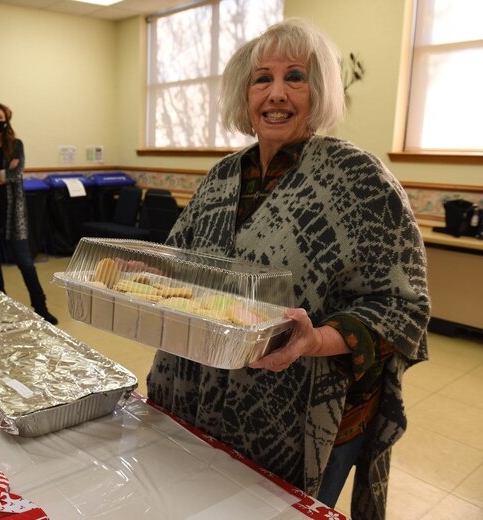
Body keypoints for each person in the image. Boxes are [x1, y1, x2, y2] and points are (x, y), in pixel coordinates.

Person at [146, 19, 430, 520]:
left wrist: (316, 339)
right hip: (206, 404)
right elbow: (181, 264)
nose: (276, 94)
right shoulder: (221, 178)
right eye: (262, 79)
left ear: (318, 90)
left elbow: (403, 307)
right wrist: (147, 273)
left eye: (295, 76)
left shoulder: (360, 180)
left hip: (308, 418)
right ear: (245, 92)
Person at [0, 103, 58, 325]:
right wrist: (2, 174)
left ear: (7, 120)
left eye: (1, 116)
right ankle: (0, 307)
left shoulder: (15, 145)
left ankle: (40, 307)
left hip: (12, 212)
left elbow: (16, 174)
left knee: (25, 262)